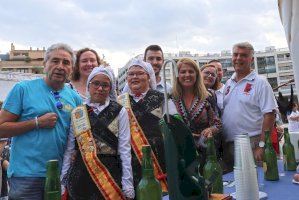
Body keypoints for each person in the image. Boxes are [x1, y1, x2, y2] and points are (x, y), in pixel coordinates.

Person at [0, 43, 82, 199]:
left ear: (71, 69)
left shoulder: (75, 98)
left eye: (66, 63)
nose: (60, 66)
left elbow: (78, 135)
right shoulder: (22, 89)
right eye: (55, 61)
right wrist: (36, 122)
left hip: (60, 175)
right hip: (26, 176)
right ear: (45, 64)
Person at [61, 67, 134, 199]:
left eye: (105, 85)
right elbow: (69, 149)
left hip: (110, 173)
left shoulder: (119, 111)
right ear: (89, 86)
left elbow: (124, 149)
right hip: (81, 173)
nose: (100, 88)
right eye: (96, 83)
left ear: (110, 88)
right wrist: (63, 179)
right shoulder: (78, 112)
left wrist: (127, 182)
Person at [118, 58, 173, 193]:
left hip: (158, 159)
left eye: (139, 73)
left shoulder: (161, 98)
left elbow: (172, 127)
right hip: (130, 161)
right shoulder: (120, 103)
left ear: (149, 77)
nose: (134, 77)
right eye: (131, 74)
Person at [222, 42, 277, 171]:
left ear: (251, 59)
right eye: (235, 54)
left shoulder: (261, 82)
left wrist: (262, 145)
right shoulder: (229, 83)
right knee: (236, 186)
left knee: (257, 185)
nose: (238, 58)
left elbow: (270, 115)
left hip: (252, 144)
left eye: (243, 55)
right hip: (230, 145)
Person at [171, 58, 222, 172]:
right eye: (183, 72)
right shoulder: (171, 98)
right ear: (177, 75)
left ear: (197, 74)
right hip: (181, 156)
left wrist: (210, 130)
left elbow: (218, 125)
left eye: (191, 71)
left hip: (206, 155)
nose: (187, 75)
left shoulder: (208, 96)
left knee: (210, 187)